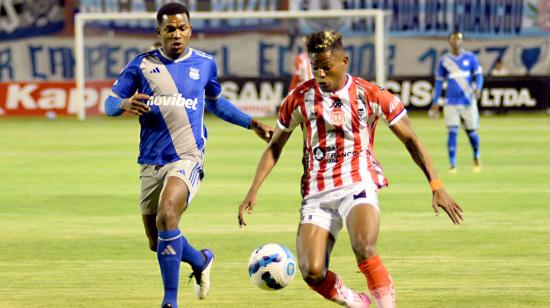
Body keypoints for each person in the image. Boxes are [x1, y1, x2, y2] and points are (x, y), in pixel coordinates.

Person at [238, 30, 463, 308]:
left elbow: (411, 140)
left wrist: (436, 185)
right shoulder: (298, 98)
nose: (320, 74)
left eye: (326, 67)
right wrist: (253, 190)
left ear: (344, 61)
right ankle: (359, 303)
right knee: (312, 271)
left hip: (358, 182)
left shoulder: (370, 95)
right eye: (315, 67)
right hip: (317, 193)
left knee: (364, 247)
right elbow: (274, 146)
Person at [103, 3, 273, 308]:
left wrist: (251, 124)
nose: (177, 34)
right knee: (158, 241)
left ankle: (170, 302)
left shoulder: (205, 64)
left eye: (182, 28)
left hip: (187, 157)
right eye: (170, 29)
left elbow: (217, 104)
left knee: (168, 215)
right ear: (159, 32)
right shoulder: (141, 65)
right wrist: (125, 104)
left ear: (190, 30)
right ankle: (200, 259)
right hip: (150, 159)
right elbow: (109, 104)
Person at [430, 30, 484, 174]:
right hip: (450, 102)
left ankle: (476, 156)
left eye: (458, 39)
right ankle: (452, 164)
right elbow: (439, 83)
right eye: (453, 39)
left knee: (472, 132)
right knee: (452, 132)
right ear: (450, 42)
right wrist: (436, 101)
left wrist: (478, 89)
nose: (456, 42)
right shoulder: (444, 60)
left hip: (468, 100)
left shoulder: (470, 58)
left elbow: (479, 76)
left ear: (462, 41)